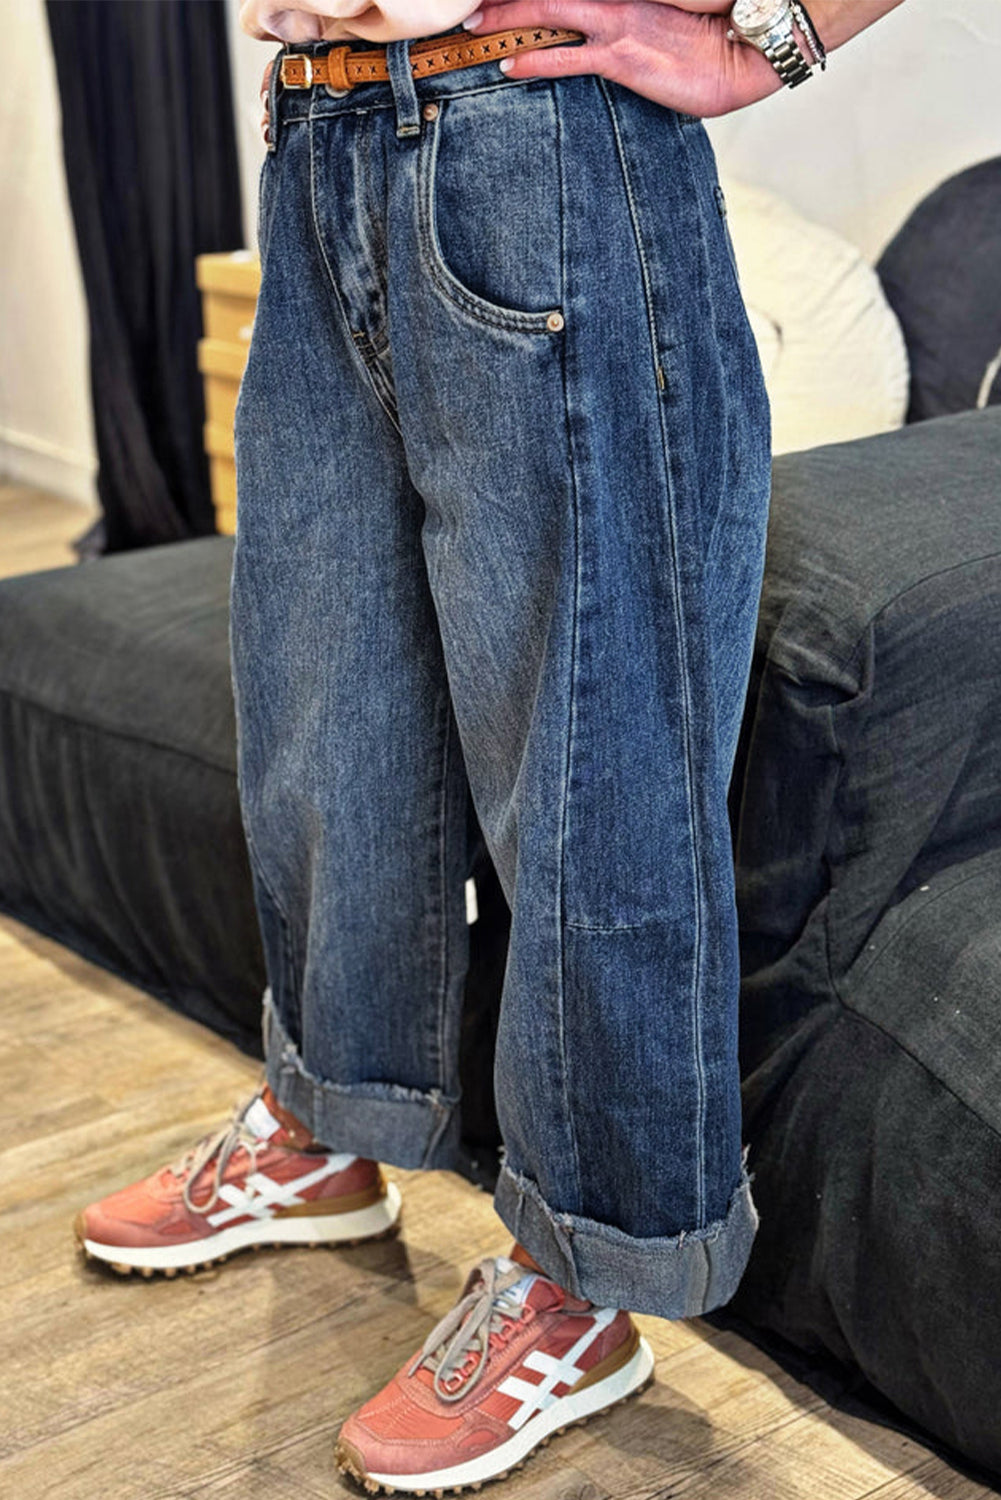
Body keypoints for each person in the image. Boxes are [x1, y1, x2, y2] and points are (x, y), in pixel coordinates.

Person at [77, 1, 906, 1491]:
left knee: (591, 753)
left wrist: (777, 35)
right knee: (326, 708)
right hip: (323, 138)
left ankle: (589, 1273)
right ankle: (332, 1121)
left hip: (541, 140)